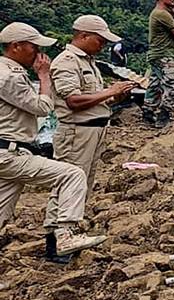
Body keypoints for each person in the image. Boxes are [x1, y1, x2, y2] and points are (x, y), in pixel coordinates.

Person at [0, 22, 107, 260]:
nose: (39, 53)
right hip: (10, 153)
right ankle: (65, 234)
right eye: (34, 47)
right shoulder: (9, 77)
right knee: (72, 174)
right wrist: (43, 77)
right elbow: (42, 107)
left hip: (12, 151)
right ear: (16, 46)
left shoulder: (9, 72)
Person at [50, 16, 134, 225]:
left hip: (93, 130)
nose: (103, 45)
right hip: (77, 133)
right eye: (100, 40)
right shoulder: (67, 61)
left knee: (84, 182)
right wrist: (110, 91)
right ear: (83, 36)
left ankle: (72, 226)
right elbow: (73, 101)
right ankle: (58, 233)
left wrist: (116, 97)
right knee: (69, 183)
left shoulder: (89, 62)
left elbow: (94, 99)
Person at [144, 0, 174, 128]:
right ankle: (163, 116)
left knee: (155, 85)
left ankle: (148, 113)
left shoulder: (160, 13)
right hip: (163, 55)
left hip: (157, 54)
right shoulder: (162, 14)